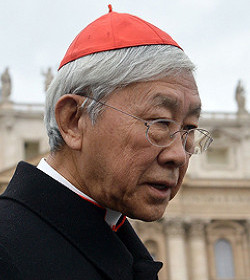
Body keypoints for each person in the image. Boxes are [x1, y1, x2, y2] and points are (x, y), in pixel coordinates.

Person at [0, 5, 213, 280]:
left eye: (190, 128)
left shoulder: (124, 245)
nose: (179, 156)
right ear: (74, 121)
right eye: (159, 122)